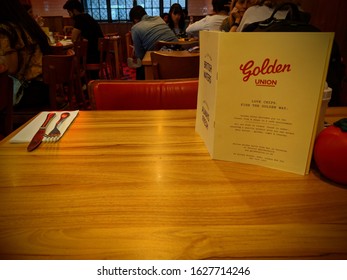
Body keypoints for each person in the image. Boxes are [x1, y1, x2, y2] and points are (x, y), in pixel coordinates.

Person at [0, 0, 52, 109]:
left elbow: (11, 69)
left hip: (27, 92)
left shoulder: (6, 30)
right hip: (43, 87)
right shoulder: (28, 25)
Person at [129, 5, 178, 80]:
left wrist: (134, 52)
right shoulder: (159, 18)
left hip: (161, 59)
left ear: (135, 20)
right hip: (178, 53)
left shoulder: (135, 28)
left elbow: (140, 56)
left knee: (140, 67)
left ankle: (143, 89)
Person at [63, 0, 104, 79]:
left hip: (92, 57)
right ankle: (83, 81)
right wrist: (71, 28)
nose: (69, 15)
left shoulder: (80, 18)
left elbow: (73, 39)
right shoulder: (87, 17)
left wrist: (72, 30)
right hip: (98, 54)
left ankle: (77, 82)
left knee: (69, 57)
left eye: (69, 12)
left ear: (74, 10)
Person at [236, 0, 302, 31]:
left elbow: (237, 40)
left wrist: (235, 23)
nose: (244, 6)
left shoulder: (253, 11)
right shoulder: (301, 14)